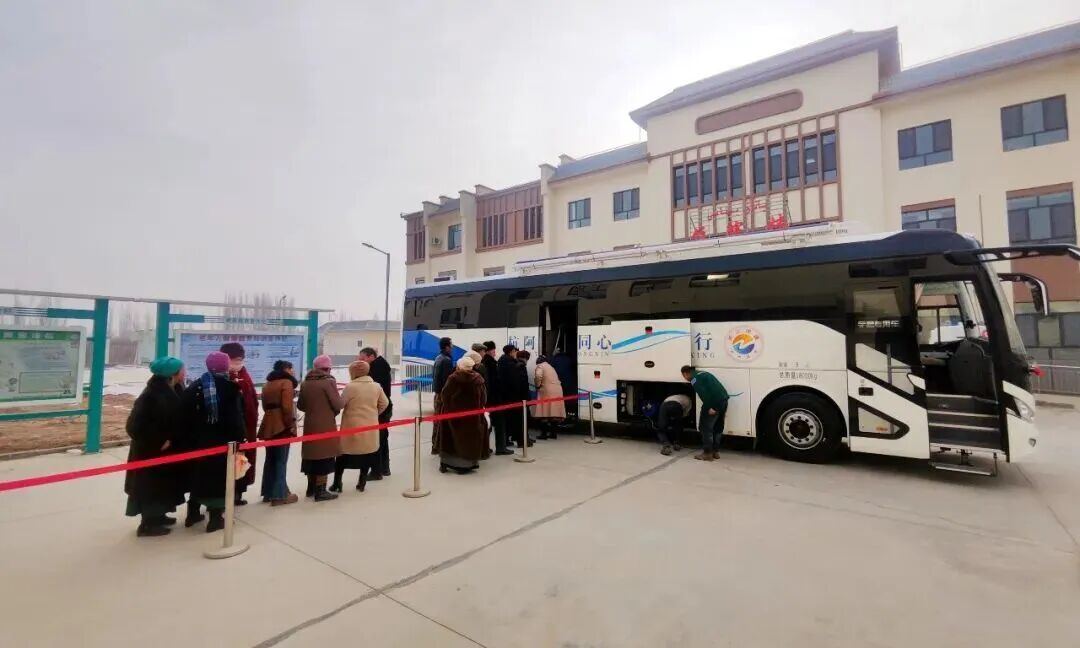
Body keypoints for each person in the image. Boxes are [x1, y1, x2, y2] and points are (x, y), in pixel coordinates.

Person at [181, 351, 246, 532]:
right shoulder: (230, 388)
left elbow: (184, 416)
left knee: (199, 477)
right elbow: (236, 419)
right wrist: (240, 439)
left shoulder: (196, 386)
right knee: (219, 480)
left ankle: (192, 513)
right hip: (222, 444)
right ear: (225, 367)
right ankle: (216, 519)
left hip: (198, 442)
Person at [124, 357, 187, 537]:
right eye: (182, 369)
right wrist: (159, 441)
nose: (185, 372)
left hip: (164, 452)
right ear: (173, 374)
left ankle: (159, 516)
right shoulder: (151, 395)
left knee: (162, 487)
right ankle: (148, 524)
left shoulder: (173, 389)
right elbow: (133, 427)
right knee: (151, 488)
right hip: (150, 452)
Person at [332, 360, 388, 493]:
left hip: (351, 427)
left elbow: (341, 404)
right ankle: (361, 483)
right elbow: (384, 403)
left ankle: (337, 483)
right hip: (370, 427)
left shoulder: (350, 387)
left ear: (353, 372)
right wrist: (374, 414)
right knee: (366, 454)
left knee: (342, 456)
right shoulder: (376, 386)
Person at [297, 355, 343, 501]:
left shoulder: (306, 382)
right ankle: (321, 490)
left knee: (311, 455)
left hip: (310, 424)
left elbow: (300, 405)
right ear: (328, 368)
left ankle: (310, 488)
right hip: (325, 424)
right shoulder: (329, 382)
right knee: (325, 456)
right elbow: (338, 404)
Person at [220, 343, 258, 506]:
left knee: (242, 462)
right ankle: (224, 496)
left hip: (246, 427)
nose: (238, 362)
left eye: (240, 359)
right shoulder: (222, 378)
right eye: (234, 359)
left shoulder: (244, 375)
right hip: (230, 430)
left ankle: (238, 493)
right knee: (227, 463)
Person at [258, 360, 299, 506]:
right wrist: (290, 424)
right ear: (286, 369)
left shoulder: (268, 384)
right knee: (281, 460)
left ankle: (268, 493)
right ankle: (279, 495)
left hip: (268, 424)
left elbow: (264, 406)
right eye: (291, 368)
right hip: (281, 425)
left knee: (270, 459)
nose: (293, 371)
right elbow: (287, 407)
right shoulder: (286, 383)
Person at [437, 356, 487, 474]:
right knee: (469, 440)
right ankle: (469, 464)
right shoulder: (478, 380)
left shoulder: (453, 378)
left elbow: (445, 395)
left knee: (450, 440)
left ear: (459, 366)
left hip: (453, 416)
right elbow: (484, 398)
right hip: (473, 417)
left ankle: (448, 463)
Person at [681, 365, 729, 461]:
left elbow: (704, 394)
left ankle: (707, 453)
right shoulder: (703, 373)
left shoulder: (695, 379)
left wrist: (712, 407)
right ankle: (715, 452)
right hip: (724, 401)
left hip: (713, 403)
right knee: (718, 427)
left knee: (705, 428)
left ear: (686, 373)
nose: (685, 378)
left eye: (683, 376)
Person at [358, 346, 393, 478]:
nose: (361, 362)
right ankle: (384, 468)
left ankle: (377, 470)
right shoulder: (379, 366)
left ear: (371, 357)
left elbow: (376, 393)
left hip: (380, 409)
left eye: (363, 359)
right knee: (382, 439)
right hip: (382, 408)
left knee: (377, 440)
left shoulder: (377, 369)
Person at [498, 345, 532, 449]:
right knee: (520, 420)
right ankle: (522, 441)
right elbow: (520, 384)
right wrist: (525, 397)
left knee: (509, 420)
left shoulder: (501, 362)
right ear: (511, 352)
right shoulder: (516, 365)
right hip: (517, 397)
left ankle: (507, 440)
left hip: (506, 396)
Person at [482, 341, 512, 455]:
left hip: (487, 399)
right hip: (494, 398)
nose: (495, 352)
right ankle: (501, 448)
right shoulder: (491, 364)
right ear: (490, 350)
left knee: (488, 424)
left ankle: (484, 447)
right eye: (494, 350)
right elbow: (495, 382)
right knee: (499, 424)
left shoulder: (482, 362)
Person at [532, 355, 566, 439]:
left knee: (544, 413)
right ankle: (553, 434)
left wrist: (537, 385)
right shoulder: (550, 367)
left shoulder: (540, 366)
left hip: (547, 391)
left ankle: (543, 434)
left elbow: (538, 376)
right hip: (557, 391)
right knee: (553, 413)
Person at [430, 337, 454, 455]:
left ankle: (435, 446)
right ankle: (439, 447)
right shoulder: (447, 360)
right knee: (442, 422)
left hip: (437, 394)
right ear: (447, 347)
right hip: (443, 396)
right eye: (451, 345)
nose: (452, 347)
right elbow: (447, 382)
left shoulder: (438, 358)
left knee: (437, 421)